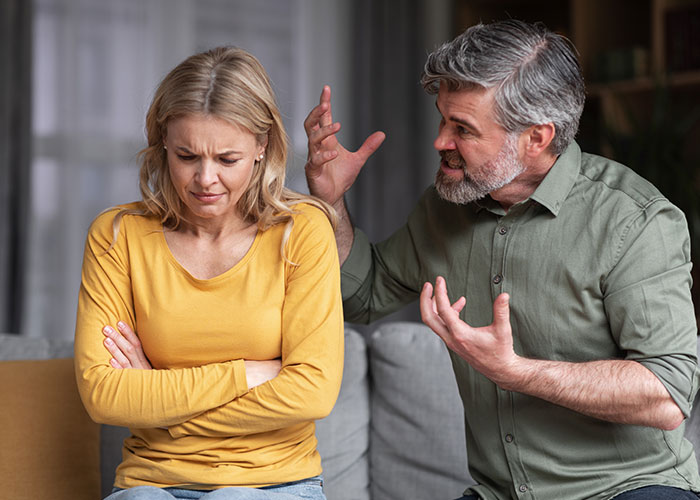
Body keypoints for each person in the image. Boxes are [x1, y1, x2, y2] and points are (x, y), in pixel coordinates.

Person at [304, 19, 700, 500]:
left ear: (536, 138)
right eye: (442, 119)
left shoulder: (633, 221)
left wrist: (516, 372)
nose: (440, 142)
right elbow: (362, 295)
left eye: (463, 128)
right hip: (498, 492)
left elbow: (667, 392)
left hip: (628, 489)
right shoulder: (442, 209)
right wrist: (330, 202)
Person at [74, 46, 343, 500]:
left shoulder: (302, 231)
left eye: (226, 159)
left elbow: (312, 393)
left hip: (274, 483)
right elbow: (103, 395)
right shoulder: (117, 234)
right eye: (186, 156)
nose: (205, 179)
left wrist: (156, 401)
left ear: (262, 147)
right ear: (163, 143)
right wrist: (247, 374)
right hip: (150, 481)